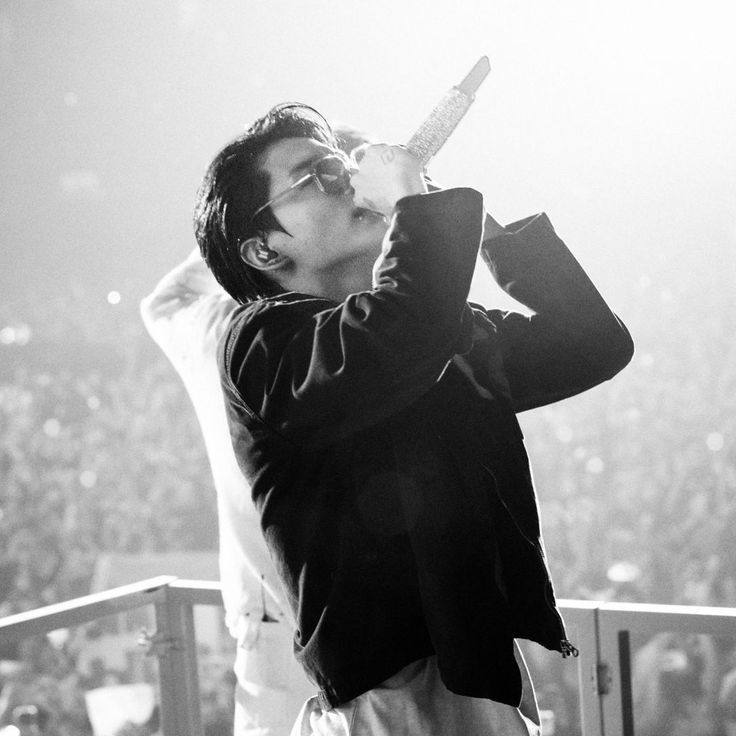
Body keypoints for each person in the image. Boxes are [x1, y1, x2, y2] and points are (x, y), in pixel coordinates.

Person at [193, 102, 634, 735]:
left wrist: (481, 231)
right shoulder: (262, 341)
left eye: (340, 163)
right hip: (390, 697)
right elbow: (395, 337)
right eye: (315, 175)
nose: (346, 177)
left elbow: (594, 343)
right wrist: (419, 213)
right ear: (262, 248)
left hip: (482, 669)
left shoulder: (430, 329)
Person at [141, 122, 374, 735]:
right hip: (340, 623)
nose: (338, 187)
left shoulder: (209, 325)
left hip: (270, 621)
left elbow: (161, 301)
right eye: (316, 180)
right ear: (262, 248)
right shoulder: (342, 333)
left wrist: (237, 234)